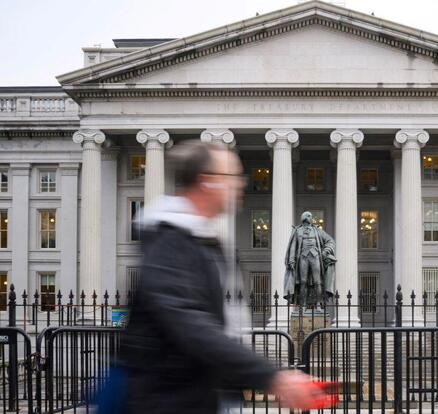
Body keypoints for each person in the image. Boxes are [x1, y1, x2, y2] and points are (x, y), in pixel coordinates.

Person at [117, 140, 325, 414]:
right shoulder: (170, 242)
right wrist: (272, 377)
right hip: (165, 401)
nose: (240, 184)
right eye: (232, 177)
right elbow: (189, 325)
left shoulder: (202, 239)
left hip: (200, 395)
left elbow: (216, 328)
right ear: (207, 182)